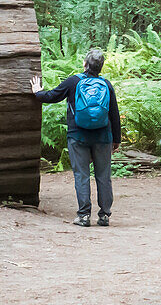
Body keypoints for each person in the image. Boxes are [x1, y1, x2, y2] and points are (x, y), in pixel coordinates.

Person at [30, 48, 121, 227]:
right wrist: (116, 139)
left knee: (82, 175)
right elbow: (114, 114)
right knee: (103, 176)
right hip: (103, 137)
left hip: (77, 136)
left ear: (85, 64)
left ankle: (84, 216)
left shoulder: (74, 82)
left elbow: (52, 96)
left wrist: (37, 92)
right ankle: (104, 216)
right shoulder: (106, 84)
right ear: (101, 67)